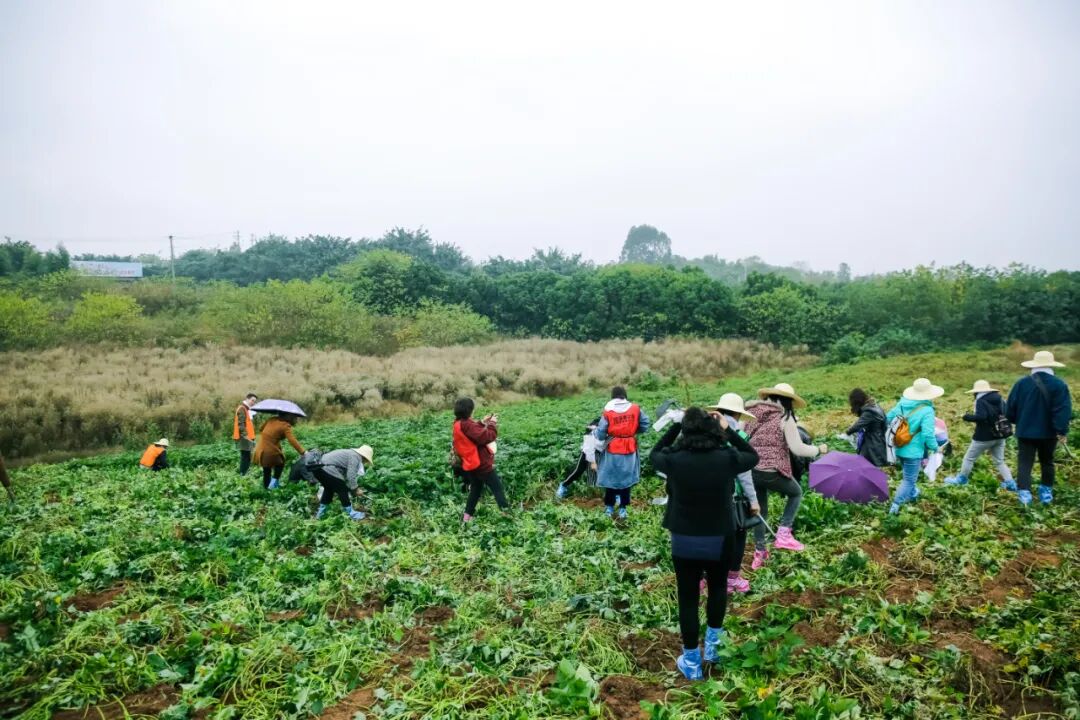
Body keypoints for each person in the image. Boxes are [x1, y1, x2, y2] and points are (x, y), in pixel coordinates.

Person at [650, 407, 759, 680]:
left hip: (684, 538)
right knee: (718, 588)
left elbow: (655, 453)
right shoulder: (726, 458)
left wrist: (677, 425)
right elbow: (752, 456)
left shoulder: (674, 460)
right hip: (719, 536)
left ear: (685, 431)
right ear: (713, 429)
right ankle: (712, 649)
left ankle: (691, 661)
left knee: (688, 598)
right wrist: (728, 430)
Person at [744, 383, 826, 568]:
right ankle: (783, 533)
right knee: (795, 493)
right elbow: (797, 448)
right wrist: (818, 449)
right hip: (771, 470)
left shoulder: (750, 413)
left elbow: (740, 436)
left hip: (750, 469)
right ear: (788, 401)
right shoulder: (784, 417)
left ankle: (760, 552)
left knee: (760, 510)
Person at [1004, 350, 1072, 506]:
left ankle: (1024, 495)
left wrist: (1019, 421)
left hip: (1025, 431)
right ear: (1050, 365)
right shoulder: (1059, 385)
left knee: (1024, 462)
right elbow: (1063, 411)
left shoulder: (1021, 383)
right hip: (1048, 433)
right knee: (1047, 461)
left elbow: (1010, 410)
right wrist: (1061, 431)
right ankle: (1046, 493)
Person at [709, 393, 760, 594]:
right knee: (738, 534)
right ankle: (731, 579)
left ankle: (705, 579)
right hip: (731, 495)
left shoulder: (705, 433)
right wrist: (753, 500)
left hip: (706, 494)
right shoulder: (736, 435)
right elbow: (744, 472)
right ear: (738, 415)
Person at [885, 377, 943, 514]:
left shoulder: (901, 403)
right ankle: (895, 506)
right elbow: (928, 435)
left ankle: (912, 494)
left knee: (909, 476)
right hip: (914, 451)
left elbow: (887, 418)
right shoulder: (927, 410)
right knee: (909, 480)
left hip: (898, 447)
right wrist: (935, 448)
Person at [944, 380, 1015, 490]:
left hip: (983, 437)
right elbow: (1007, 413)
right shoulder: (1000, 399)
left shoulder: (981, 401)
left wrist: (966, 417)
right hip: (1000, 435)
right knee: (999, 461)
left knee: (969, 459)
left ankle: (961, 480)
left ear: (977, 392)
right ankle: (1010, 483)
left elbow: (981, 417)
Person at [594, 386, 651, 519]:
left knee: (610, 477)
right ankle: (623, 509)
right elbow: (645, 423)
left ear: (613, 396)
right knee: (626, 478)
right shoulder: (635, 408)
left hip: (613, 447)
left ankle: (609, 507)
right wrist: (631, 432)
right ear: (625, 396)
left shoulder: (608, 410)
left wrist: (597, 433)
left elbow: (601, 433)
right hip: (629, 447)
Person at [453, 397, 510, 522]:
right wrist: (492, 424)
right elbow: (487, 437)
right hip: (481, 464)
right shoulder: (467, 424)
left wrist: (481, 422)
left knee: (476, 489)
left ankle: (467, 517)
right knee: (497, 488)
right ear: (469, 410)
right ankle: (507, 516)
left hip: (469, 463)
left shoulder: (458, 423)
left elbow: (471, 431)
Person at [313, 445, 373, 520]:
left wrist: (352, 489)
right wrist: (356, 489)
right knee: (342, 490)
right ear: (365, 457)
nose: (365, 462)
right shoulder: (355, 457)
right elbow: (350, 475)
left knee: (329, 490)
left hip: (318, 469)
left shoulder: (349, 454)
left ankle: (321, 514)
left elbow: (345, 477)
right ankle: (351, 514)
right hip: (328, 468)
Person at [254, 413, 305, 490]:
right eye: (295, 418)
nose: (296, 420)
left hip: (260, 448)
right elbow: (292, 440)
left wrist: (273, 435)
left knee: (266, 470)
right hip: (270, 451)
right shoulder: (285, 426)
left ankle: (266, 489)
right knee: (280, 464)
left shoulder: (272, 419)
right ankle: (273, 485)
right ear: (290, 417)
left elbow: (261, 429)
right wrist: (303, 452)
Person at [555, 418, 603, 500]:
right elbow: (589, 446)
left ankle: (615, 494)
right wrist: (593, 461)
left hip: (603, 451)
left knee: (609, 472)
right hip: (589, 449)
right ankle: (563, 486)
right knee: (578, 470)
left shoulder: (615, 427)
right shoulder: (593, 428)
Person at [845, 389, 888, 467]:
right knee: (872, 465)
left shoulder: (869, 412)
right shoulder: (873, 405)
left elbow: (857, 426)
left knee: (867, 464)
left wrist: (847, 432)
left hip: (873, 441)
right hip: (879, 438)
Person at [233, 393, 258, 476]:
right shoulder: (242, 409)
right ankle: (243, 474)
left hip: (248, 437)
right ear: (247, 399)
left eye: (254, 401)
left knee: (247, 456)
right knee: (245, 457)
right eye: (252, 400)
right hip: (244, 437)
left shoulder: (247, 409)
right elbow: (241, 425)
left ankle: (244, 473)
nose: (253, 402)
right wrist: (246, 437)